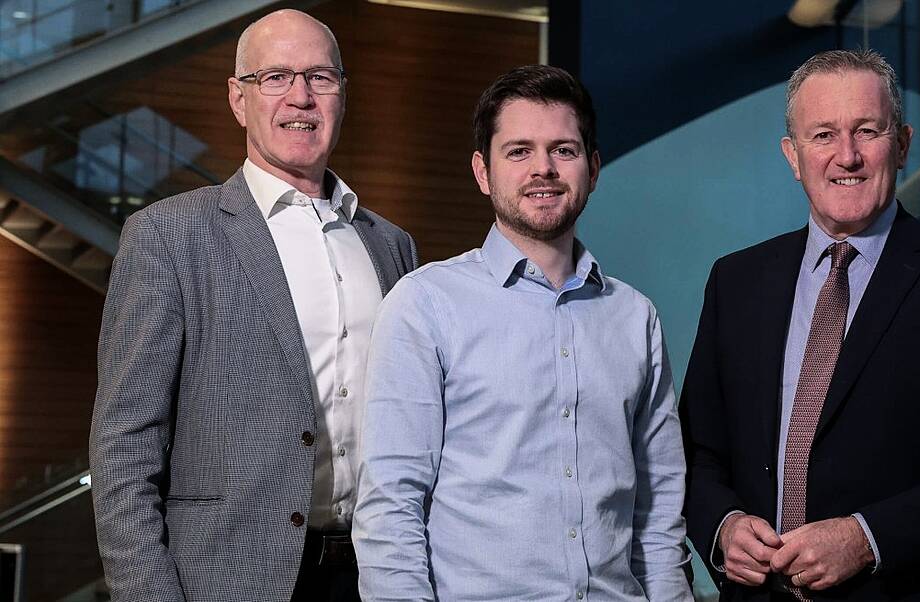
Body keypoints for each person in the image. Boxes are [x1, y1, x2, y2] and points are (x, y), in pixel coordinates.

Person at [680, 49, 920, 601]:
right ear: (793, 154)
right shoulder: (736, 281)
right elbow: (696, 451)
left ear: (901, 144)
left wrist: (866, 537)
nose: (846, 156)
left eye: (866, 131)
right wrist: (722, 526)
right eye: (823, 135)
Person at [89, 9, 416, 601]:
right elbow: (124, 443)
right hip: (225, 580)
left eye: (321, 77)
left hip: (374, 575)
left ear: (343, 95)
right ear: (238, 100)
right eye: (275, 78)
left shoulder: (390, 245)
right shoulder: (170, 234)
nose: (301, 97)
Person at [352, 65, 693, 601]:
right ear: (482, 172)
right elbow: (391, 507)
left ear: (593, 167)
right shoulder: (425, 305)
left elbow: (659, 508)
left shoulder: (635, 317)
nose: (544, 169)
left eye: (564, 149)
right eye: (518, 151)